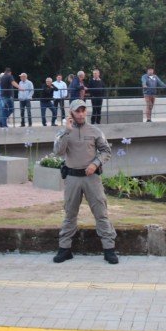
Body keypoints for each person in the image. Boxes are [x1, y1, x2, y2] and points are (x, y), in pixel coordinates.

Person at [52, 100, 117, 265]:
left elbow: (106, 151)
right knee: (70, 213)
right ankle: (64, 249)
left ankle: (109, 249)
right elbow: (58, 152)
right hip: (72, 178)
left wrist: (95, 163)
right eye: (77, 111)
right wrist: (67, 132)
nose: (80, 114)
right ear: (71, 113)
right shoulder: (63, 132)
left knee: (101, 213)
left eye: (83, 110)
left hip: (91, 178)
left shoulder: (95, 131)